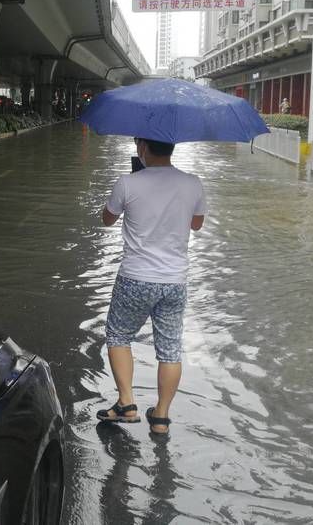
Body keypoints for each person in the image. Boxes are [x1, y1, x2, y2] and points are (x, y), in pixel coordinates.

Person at [96, 138, 206, 436]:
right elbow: (196, 225)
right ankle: (160, 417)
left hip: (135, 278)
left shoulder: (127, 183)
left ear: (143, 147)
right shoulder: (193, 184)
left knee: (119, 335)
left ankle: (127, 403)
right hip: (174, 281)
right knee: (170, 350)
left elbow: (107, 219)